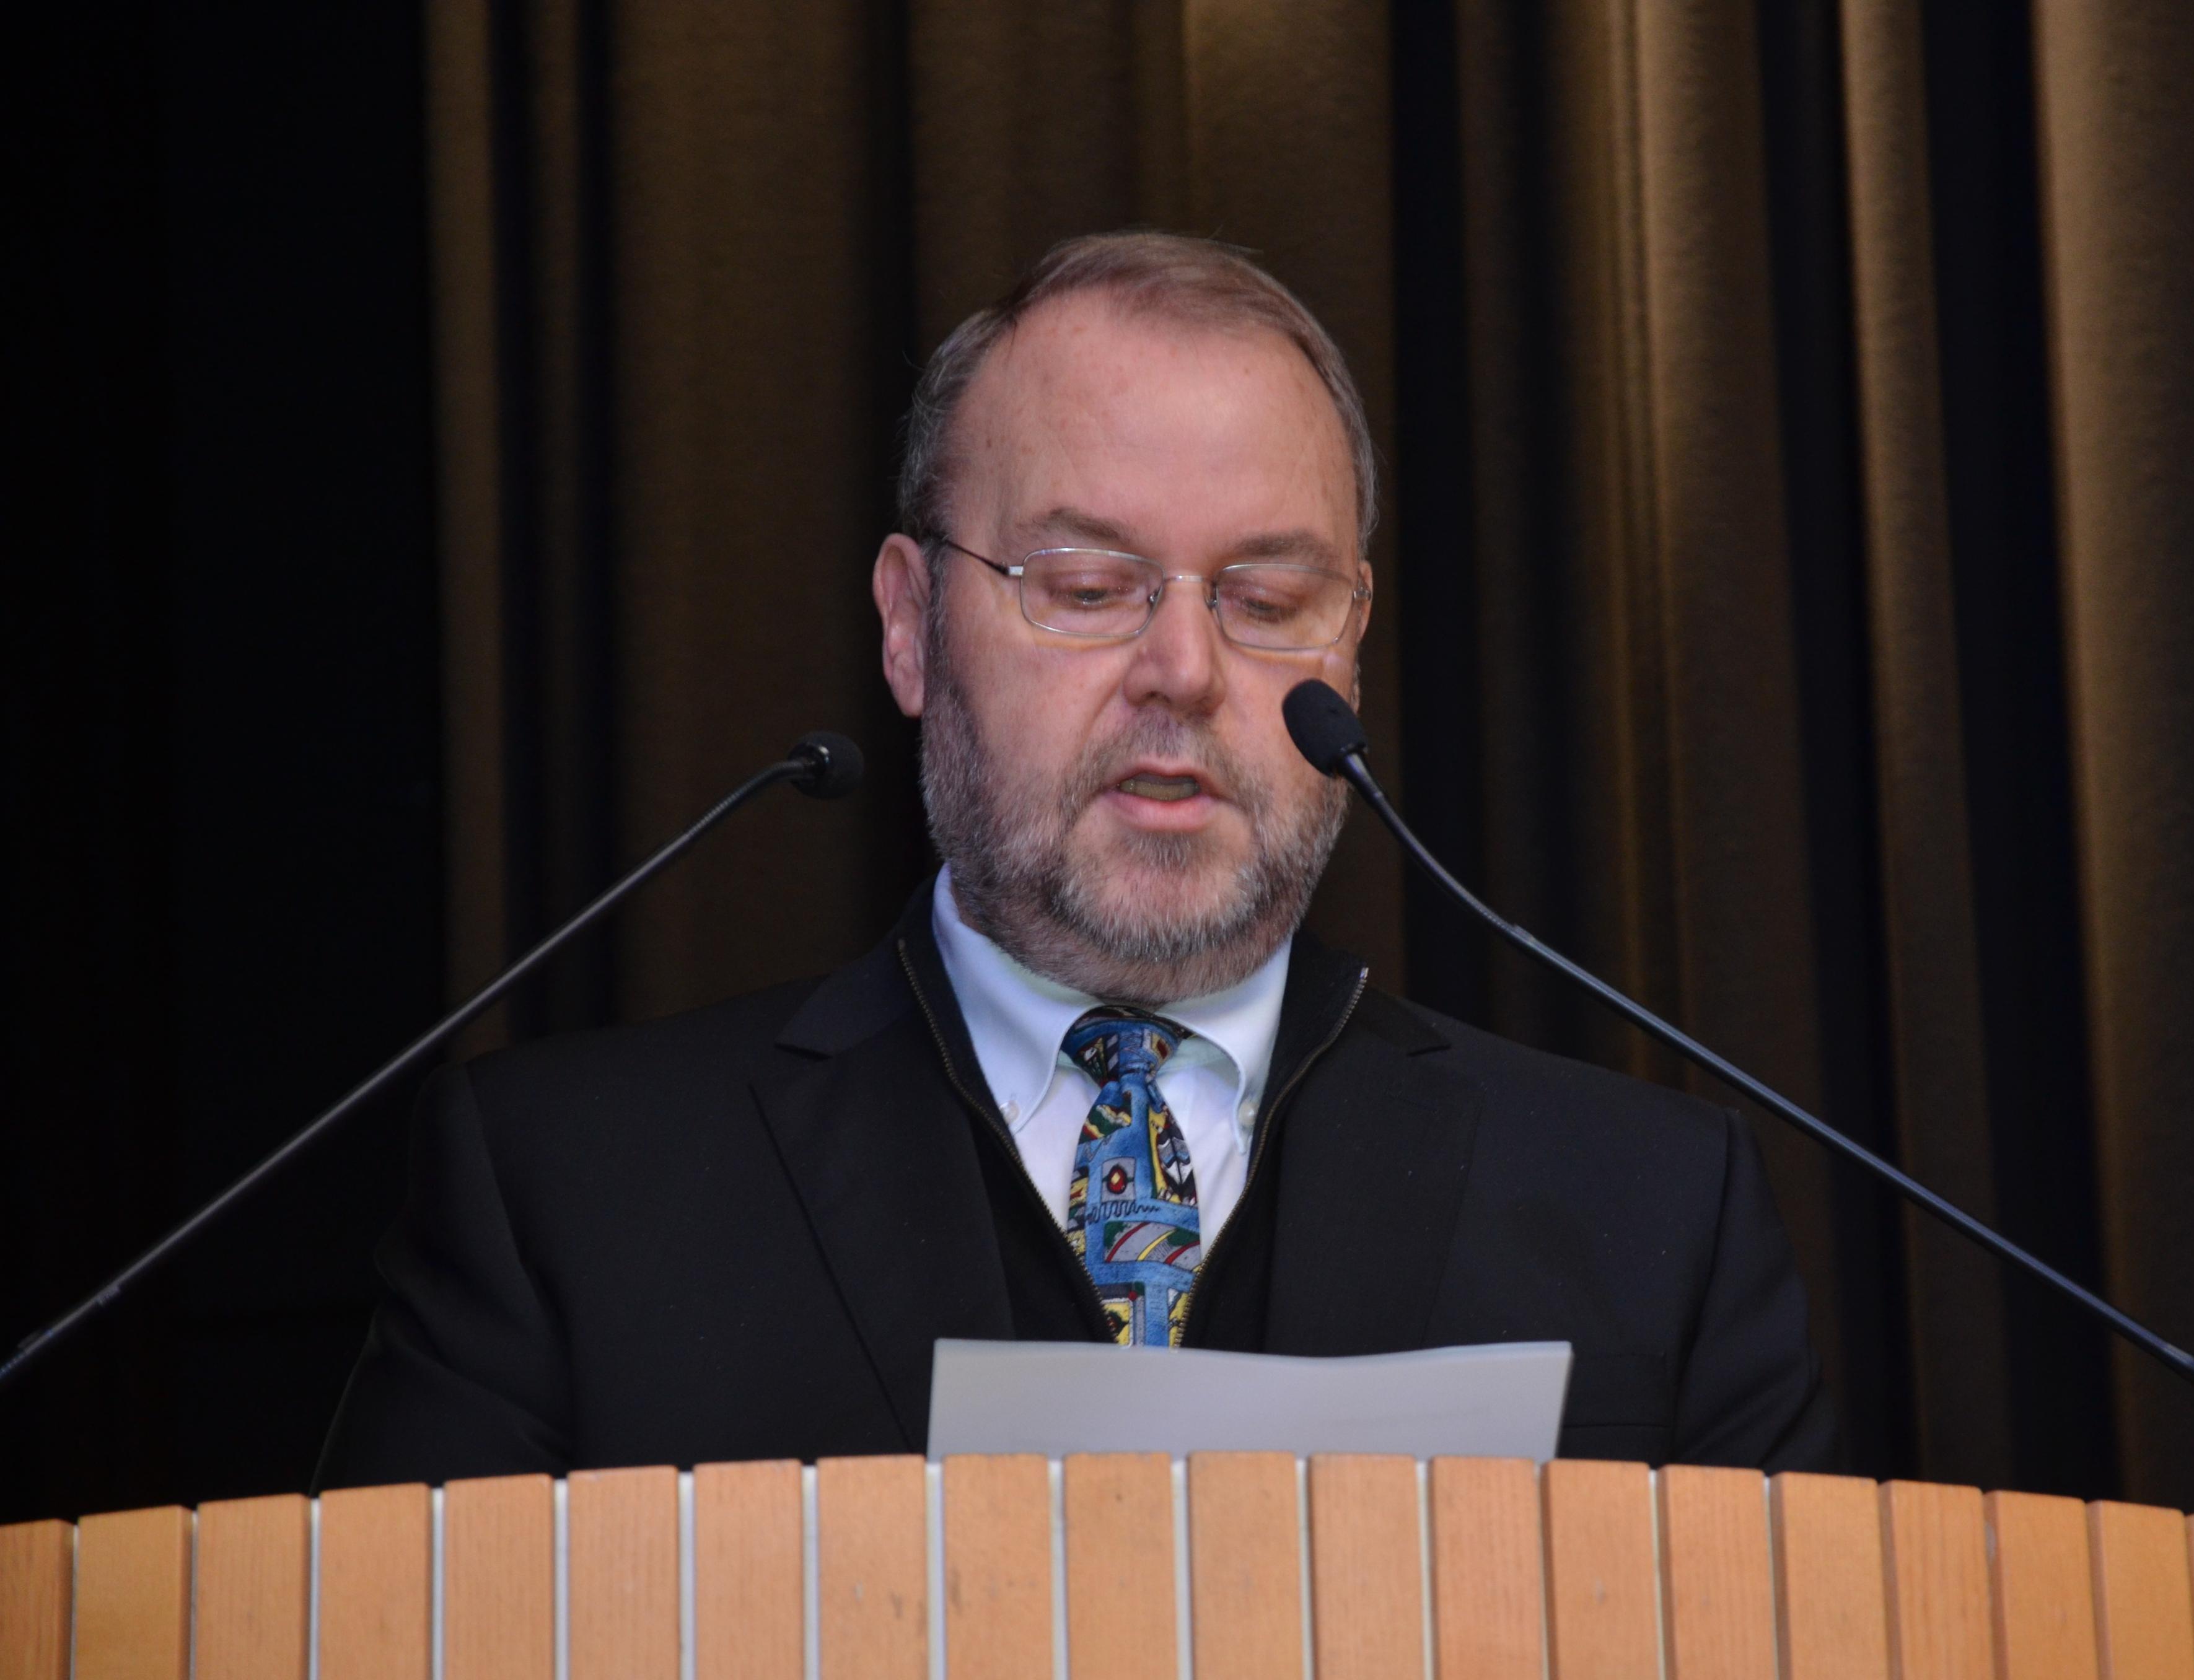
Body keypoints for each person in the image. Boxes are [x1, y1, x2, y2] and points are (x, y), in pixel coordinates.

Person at [315, 232, 1835, 1487]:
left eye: (1265, 599)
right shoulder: (567, 1200)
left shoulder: (1657, 1218)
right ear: (909, 627)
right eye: (1089, 586)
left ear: (1352, 644)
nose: (1183, 669)